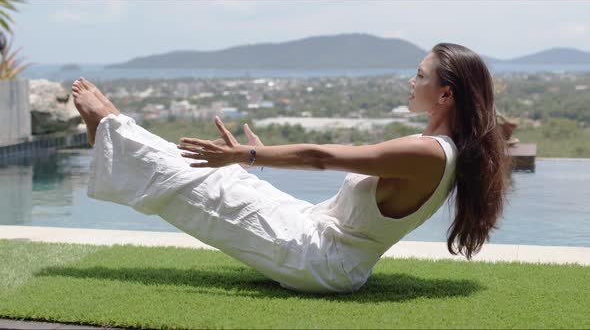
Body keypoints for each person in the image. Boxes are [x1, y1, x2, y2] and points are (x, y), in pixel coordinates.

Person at [71, 43, 509, 294]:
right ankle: (113, 136)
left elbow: (321, 156)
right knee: (224, 176)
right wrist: (252, 158)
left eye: (420, 75)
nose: (410, 82)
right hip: (322, 239)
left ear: (446, 94)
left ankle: (111, 126)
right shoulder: (435, 149)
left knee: (206, 182)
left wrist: (250, 156)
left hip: (318, 259)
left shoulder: (430, 153)